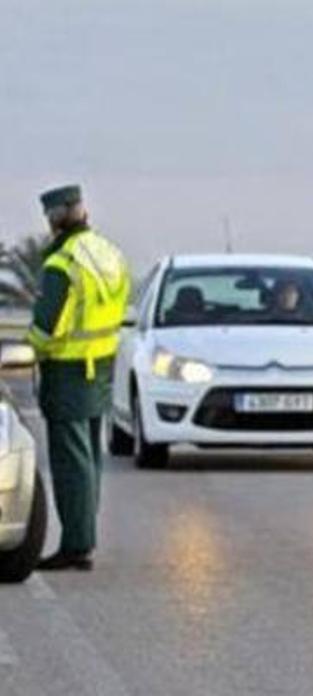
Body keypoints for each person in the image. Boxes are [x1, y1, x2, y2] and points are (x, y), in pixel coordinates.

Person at [27, 185, 131, 572]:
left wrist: (28, 349)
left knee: (71, 464)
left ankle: (76, 544)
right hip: (100, 365)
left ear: (54, 218)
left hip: (68, 370)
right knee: (89, 460)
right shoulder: (109, 253)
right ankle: (83, 538)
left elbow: (46, 327)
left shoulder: (63, 264)